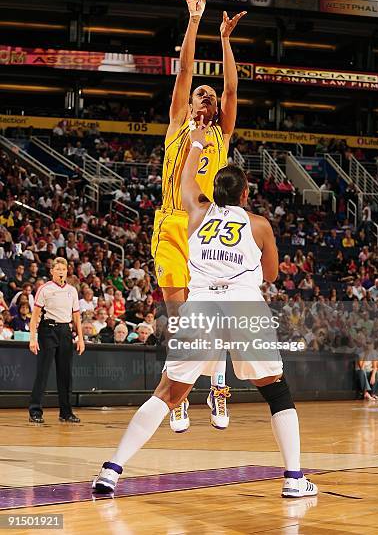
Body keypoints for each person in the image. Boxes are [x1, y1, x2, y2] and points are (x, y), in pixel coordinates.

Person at [93, 122, 318, 499]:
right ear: (245, 193)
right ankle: (294, 478)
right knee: (277, 392)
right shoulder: (259, 224)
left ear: (212, 192)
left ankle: (111, 472)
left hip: (200, 307)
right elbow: (272, 273)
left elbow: (185, 177)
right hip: (244, 306)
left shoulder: (196, 213)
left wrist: (196, 142)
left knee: (166, 394)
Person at [150, 0, 246, 432]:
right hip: (172, 222)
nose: (206, 97)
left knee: (215, 311)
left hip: (210, 226)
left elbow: (231, 87)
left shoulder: (222, 133)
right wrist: (194, 20)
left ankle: (218, 387)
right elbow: (186, 68)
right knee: (178, 312)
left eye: (210, 96)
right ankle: (178, 393)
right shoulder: (176, 125)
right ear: (189, 104)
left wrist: (224, 41)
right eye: (199, 95)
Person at [28, 257, 85, 424]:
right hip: (48, 330)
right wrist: (33, 338)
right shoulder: (44, 289)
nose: (61, 272)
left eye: (63, 269)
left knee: (65, 374)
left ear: (67, 271)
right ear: (52, 271)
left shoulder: (72, 291)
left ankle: (66, 413)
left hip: (65, 331)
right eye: (58, 269)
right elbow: (35, 317)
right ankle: (35, 410)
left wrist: (80, 338)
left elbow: (76, 317)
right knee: (43, 372)